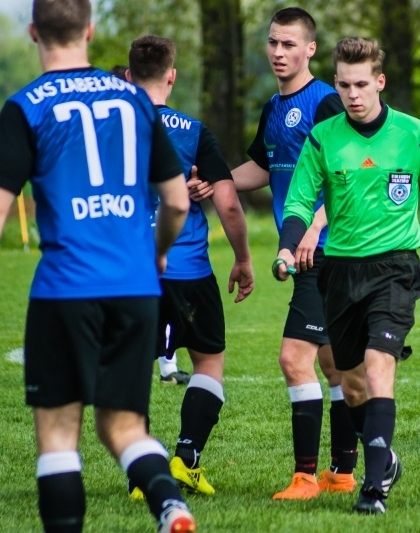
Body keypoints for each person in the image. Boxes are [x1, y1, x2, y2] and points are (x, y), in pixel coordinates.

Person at [0, 1, 196, 532]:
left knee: (59, 436)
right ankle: (169, 504)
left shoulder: (27, 106)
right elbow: (178, 201)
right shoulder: (136, 100)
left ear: (32, 33)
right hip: (135, 289)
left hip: (65, 290)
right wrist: (157, 251)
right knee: (125, 428)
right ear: (90, 31)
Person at [276, 36, 420, 515]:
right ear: (336, 84)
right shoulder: (324, 138)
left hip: (396, 267)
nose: (353, 94)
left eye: (362, 84)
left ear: (380, 82)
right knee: (351, 380)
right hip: (339, 270)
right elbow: (300, 199)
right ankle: (386, 458)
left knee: (380, 364)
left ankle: (373, 489)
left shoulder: (417, 135)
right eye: (344, 85)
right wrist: (286, 243)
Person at [231, 7, 358, 500]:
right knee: (335, 367)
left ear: (310, 49)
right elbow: (261, 168)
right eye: (273, 43)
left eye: (289, 45)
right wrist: (211, 182)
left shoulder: (327, 103)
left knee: (294, 359)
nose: (278, 53)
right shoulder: (271, 108)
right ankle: (343, 474)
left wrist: (312, 230)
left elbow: (345, 176)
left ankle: (305, 477)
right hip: (306, 251)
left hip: (326, 250)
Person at [126, 34, 254, 497]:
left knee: (130, 367)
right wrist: (242, 259)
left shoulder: (109, 127)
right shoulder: (193, 131)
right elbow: (230, 205)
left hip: (127, 271)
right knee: (209, 362)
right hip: (189, 271)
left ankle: (144, 472)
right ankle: (185, 457)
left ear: (127, 76)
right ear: (172, 76)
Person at [112, 61, 193, 387]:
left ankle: (165, 366)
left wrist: (195, 183)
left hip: (136, 237)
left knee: (157, 305)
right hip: (135, 237)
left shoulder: (149, 127)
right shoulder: (123, 129)